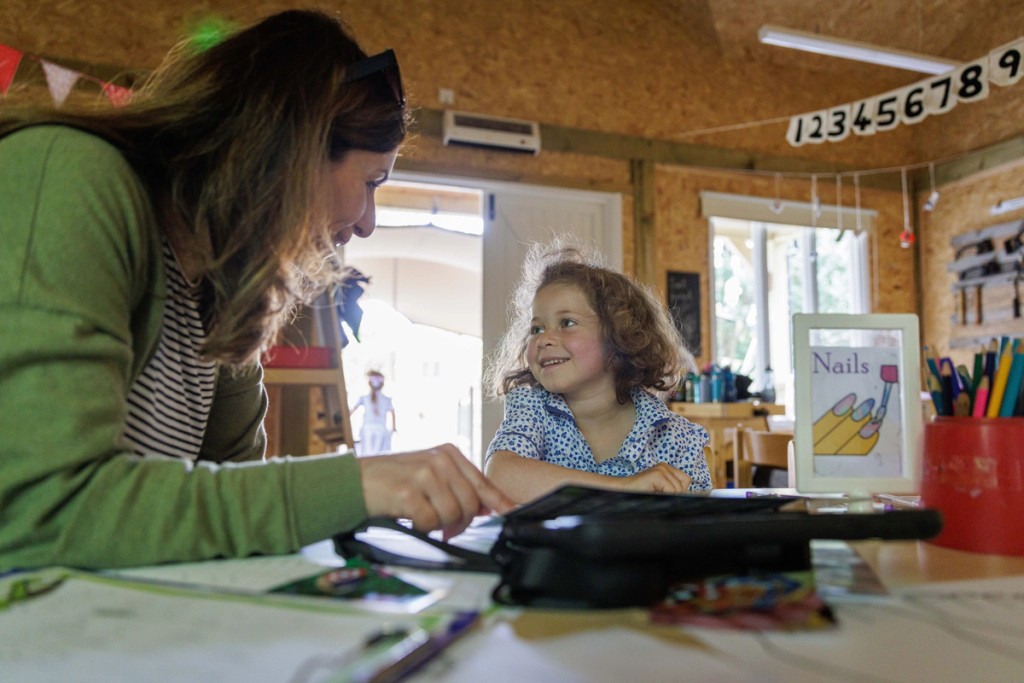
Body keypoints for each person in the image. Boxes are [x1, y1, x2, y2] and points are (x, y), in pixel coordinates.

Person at [0, 9, 512, 572]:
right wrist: (355, 485)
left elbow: (230, 492)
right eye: (370, 183)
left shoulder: (221, 288)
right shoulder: (70, 176)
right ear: (294, 148)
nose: (366, 223)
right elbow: (44, 512)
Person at [484, 239, 713, 503]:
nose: (543, 338)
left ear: (620, 337)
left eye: (567, 323)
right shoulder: (532, 408)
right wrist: (623, 487)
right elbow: (500, 476)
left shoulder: (678, 438)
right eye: (537, 328)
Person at [351, 370, 397, 455]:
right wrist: (394, 428)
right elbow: (392, 413)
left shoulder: (364, 398)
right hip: (380, 431)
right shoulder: (386, 400)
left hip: (368, 431)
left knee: (368, 454)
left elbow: (351, 411)